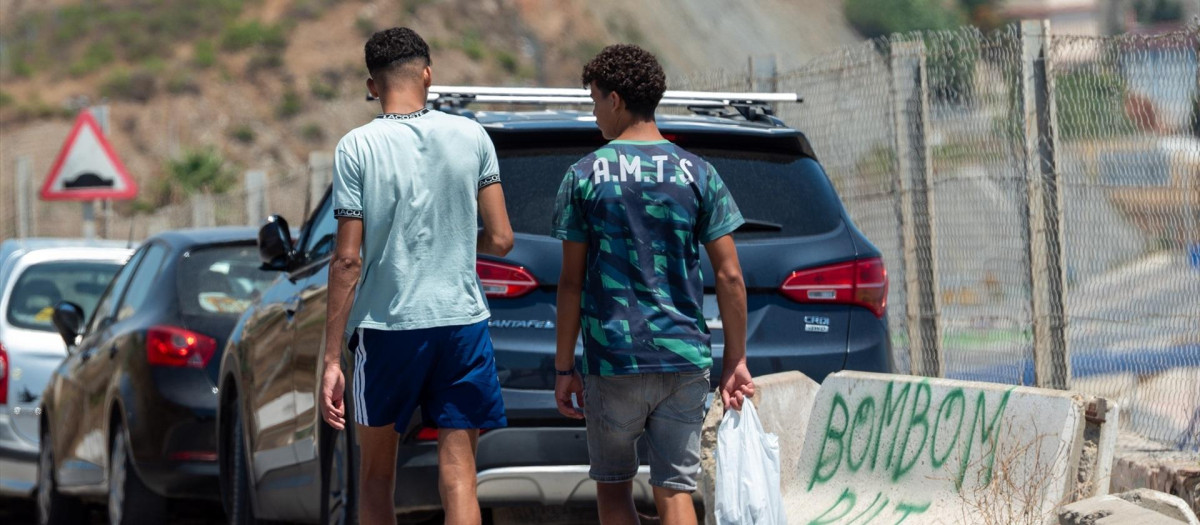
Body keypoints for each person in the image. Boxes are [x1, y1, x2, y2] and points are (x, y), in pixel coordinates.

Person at [552, 44, 756, 525]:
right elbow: (729, 274)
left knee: (614, 488)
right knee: (675, 490)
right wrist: (736, 359)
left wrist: (564, 368)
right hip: (684, 360)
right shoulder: (698, 173)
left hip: (614, 358)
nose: (595, 112)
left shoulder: (583, 176)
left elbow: (569, 282)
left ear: (616, 99)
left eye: (595, 101)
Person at [319, 27, 514, 525]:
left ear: (371, 86)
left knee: (376, 478)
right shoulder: (473, 136)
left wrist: (331, 358)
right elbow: (501, 239)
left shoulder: (356, 147)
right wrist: (453, 243)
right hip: (461, 324)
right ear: (428, 73)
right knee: (459, 478)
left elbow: (347, 260)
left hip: (387, 330)